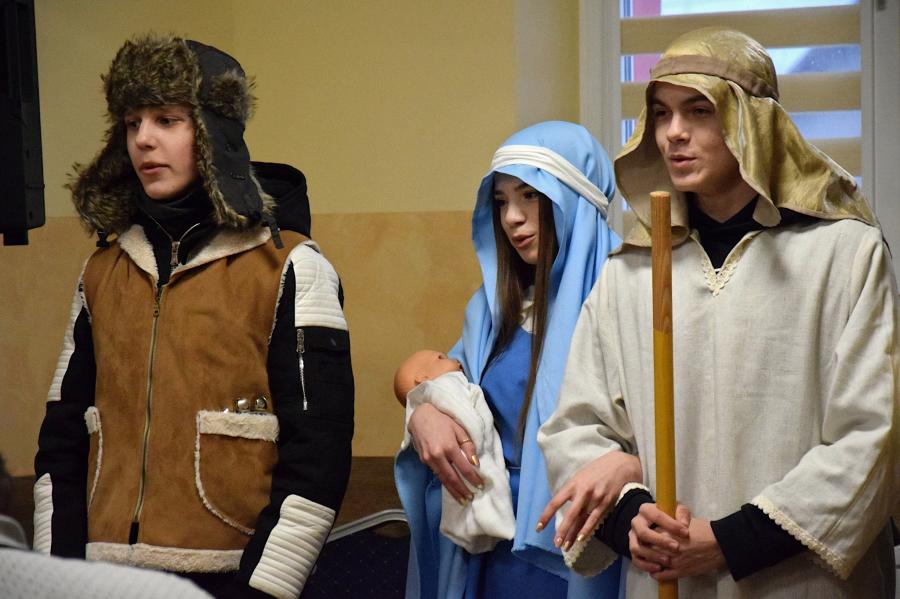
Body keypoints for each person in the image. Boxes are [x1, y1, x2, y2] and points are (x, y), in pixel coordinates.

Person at [539, 27, 899, 598]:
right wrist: (633, 519)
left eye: (699, 111)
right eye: (661, 113)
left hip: (798, 580)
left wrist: (730, 541)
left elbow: (871, 437)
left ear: (753, 122)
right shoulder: (629, 273)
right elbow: (577, 427)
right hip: (668, 577)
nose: (673, 133)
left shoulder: (844, 255)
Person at [32, 34, 354, 599]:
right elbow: (61, 439)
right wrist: (52, 580)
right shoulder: (101, 271)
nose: (144, 139)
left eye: (167, 119)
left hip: (230, 577)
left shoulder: (292, 266)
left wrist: (265, 590)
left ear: (213, 134)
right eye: (132, 123)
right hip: (102, 576)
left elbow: (318, 453)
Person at [396, 120, 637, 599]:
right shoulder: (492, 312)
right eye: (501, 201)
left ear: (573, 200)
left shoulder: (632, 298)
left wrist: (630, 467)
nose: (512, 217)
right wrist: (423, 413)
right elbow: (443, 384)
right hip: (492, 550)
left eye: (529, 195)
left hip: (592, 547)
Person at [394, 350, 516, 555]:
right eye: (441, 358)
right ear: (422, 378)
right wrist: (476, 436)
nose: (456, 359)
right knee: (481, 493)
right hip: (471, 455)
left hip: (465, 461)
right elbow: (464, 415)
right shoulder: (445, 385)